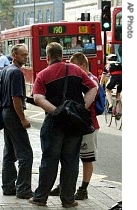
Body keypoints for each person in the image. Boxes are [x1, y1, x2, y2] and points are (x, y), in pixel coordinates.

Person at [28, 42, 97, 208]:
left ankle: (40, 198)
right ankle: (68, 200)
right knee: (71, 161)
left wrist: (56, 111)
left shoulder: (43, 75)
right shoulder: (76, 70)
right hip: (74, 123)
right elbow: (93, 88)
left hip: (54, 122)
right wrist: (81, 108)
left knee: (49, 160)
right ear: (62, 55)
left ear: (48, 57)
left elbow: (37, 98)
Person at [49, 52, 100, 200]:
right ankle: (63, 185)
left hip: (87, 125)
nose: (72, 69)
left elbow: (85, 101)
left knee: (86, 158)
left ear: (83, 65)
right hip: (75, 124)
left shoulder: (92, 80)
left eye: (75, 66)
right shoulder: (77, 79)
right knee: (68, 157)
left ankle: (83, 189)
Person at [0, 44, 33, 199]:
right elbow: (16, 98)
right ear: (14, 55)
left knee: (9, 152)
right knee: (26, 154)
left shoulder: (5, 70)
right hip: (13, 114)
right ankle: (23, 189)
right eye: (23, 55)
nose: (25, 57)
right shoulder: (16, 73)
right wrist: (23, 118)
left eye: (26, 55)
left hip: (5, 113)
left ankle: (8, 187)